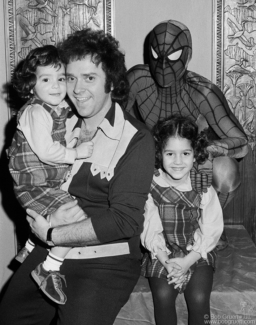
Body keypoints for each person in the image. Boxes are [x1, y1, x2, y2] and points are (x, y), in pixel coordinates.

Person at [0, 28, 155, 325]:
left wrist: (52, 233)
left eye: (90, 78)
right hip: (51, 250)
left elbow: (123, 221)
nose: (77, 88)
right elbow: (25, 175)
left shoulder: (137, 138)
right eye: (70, 77)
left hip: (106, 261)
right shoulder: (56, 118)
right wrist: (43, 225)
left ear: (111, 81)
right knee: (9, 315)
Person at [124, 20, 248, 249]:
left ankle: (209, 226)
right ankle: (143, 230)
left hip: (192, 158)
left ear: (186, 55)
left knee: (226, 171)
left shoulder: (201, 91)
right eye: (156, 54)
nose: (162, 64)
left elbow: (242, 142)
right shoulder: (138, 79)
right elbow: (117, 121)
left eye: (172, 56)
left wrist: (207, 152)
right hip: (152, 153)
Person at [8, 45, 94, 304]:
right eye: (46, 79)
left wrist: (77, 135)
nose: (56, 86)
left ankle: (31, 247)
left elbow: (64, 133)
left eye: (61, 78)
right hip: (33, 185)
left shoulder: (55, 108)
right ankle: (49, 267)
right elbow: (46, 152)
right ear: (31, 85)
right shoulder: (35, 112)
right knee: (79, 223)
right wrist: (76, 152)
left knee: (73, 213)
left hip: (45, 183)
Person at [140, 115, 223, 325]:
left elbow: (211, 229)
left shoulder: (202, 187)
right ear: (159, 153)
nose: (178, 162)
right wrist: (167, 263)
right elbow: (150, 228)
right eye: (170, 154)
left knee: (198, 298)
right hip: (162, 252)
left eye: (185, 153)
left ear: (195, 154)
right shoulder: (151, 185)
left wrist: (187, 262)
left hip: (196, 252)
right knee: (163, 296)